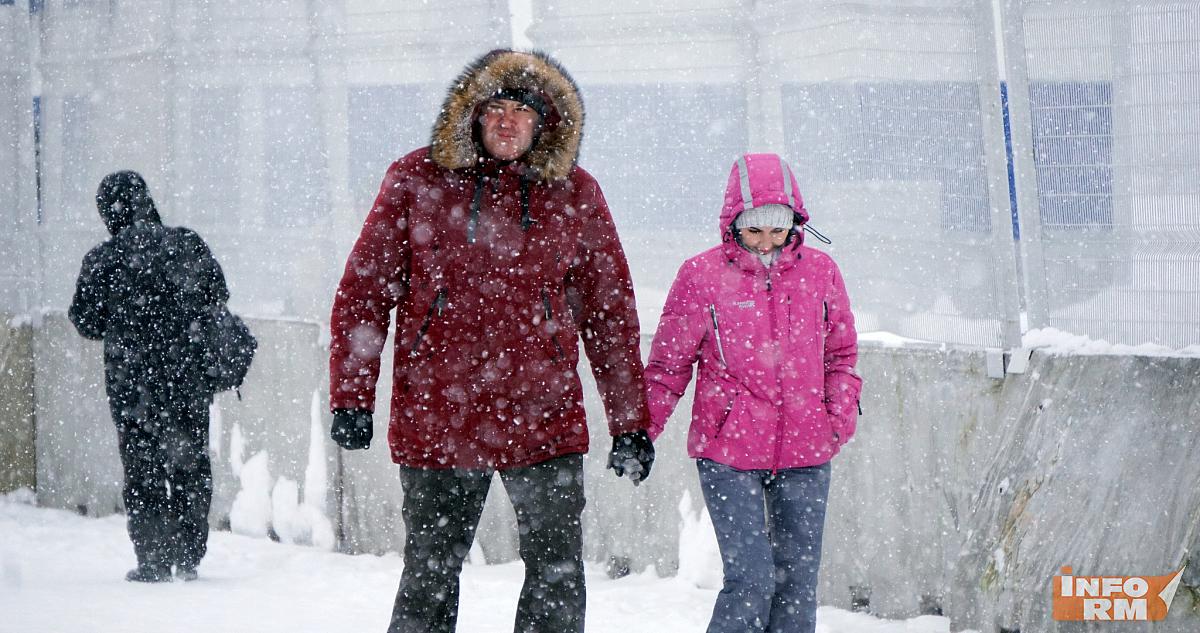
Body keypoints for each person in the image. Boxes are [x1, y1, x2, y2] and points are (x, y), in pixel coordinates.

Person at [327, 49, 655, 633]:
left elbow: (609, 313)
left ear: (544, 124)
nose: (507, 123)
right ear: (472, 116)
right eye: (495, 109)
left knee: (556, 571)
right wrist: (351, 397)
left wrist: (630, 422)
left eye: (522, 113)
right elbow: (365, 295)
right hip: (440, 412)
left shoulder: (575, 194)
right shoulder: (416, 180)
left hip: (544, 415)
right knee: (429, 571)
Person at [644, 153, 863, 633]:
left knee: (798, 584)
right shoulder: (700, 276)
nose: (767, 242)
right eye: (754, 230)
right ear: (733, 225)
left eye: (778, 229)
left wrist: (836, 417)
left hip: (806, 449)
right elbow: (668, 365)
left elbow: (842, 356)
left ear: (795, 224)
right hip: (728, 450)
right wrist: (641, 430)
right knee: (752, 581)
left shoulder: (821, 273)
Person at [69, 171, 230, 582]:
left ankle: (153, 559)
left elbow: (85, 322)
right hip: (189, 379)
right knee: (190, 463)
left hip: (132, 386)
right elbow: (217, 296)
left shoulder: (104, 259)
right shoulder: (187, 243)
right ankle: (189, 555)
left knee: (142, 469)